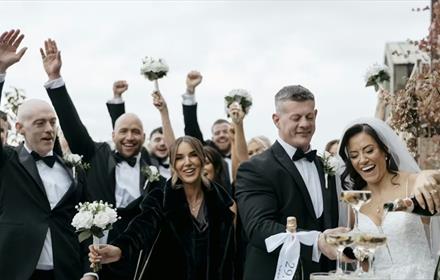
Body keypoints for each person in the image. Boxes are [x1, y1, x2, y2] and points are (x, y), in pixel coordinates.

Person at [41, 38, 164, 280]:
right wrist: (56, 79)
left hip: (133, 259)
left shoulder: (153, 169)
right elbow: (73, 127)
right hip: (90, 259)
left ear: (144, 136)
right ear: (113, 135)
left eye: (136, 132)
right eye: (124, 132)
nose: (129, 137)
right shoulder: (97, 154)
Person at [0, 29, 88, 280]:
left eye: (52, 122)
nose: (49, 129)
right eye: (39, 123)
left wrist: (89, 272)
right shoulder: (7, 161)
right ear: (19, 129)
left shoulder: (72, 168)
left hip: (66, 273)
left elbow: (82, 225)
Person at [236, 85, 346, 280]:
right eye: (296, 118)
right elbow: (259, 228)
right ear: (276, 120)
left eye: (309, 117)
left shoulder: (324, 165)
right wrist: (317, 241)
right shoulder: (255, 169)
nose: (304, 124)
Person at [89, 136, 236, 280]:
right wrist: (119, 249)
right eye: (179, 158)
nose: (187, 162)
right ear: (173, 165)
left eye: (193, 155)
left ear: (202, 159)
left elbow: (230, 260)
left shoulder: (221, 204)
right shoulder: (161, 198)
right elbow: (141, 227)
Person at [338, 117, 440, 279]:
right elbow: (363, 263)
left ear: (385, 150)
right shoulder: (355, 202)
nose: (363, 160)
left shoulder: (413, 183)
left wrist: (428, 174)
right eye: (354, 155)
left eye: (369, 150)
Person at [106, 80, 171, 178]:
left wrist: (164, 111)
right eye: (157, 140)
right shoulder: (143, 157)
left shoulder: (178, 165)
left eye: (166, 140)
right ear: (147, 142)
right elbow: (125, 133)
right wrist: (117, 98)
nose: (162, 144)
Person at [181, 70, 232, 185]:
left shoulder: (243, 151)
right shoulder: (206, 152)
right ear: (212, 138)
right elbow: (191, 127)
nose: (222, 135)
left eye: (225, 131)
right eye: (217, 133)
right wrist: (190, 92)